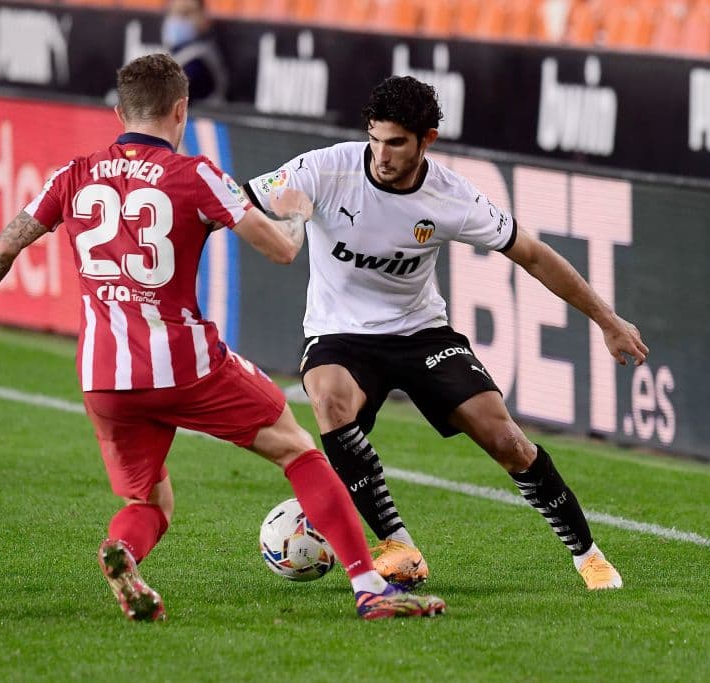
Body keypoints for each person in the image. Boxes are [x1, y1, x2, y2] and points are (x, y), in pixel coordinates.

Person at [0, 55, 444, 622]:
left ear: (118, 113)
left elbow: (8, 242)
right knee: (299, 449)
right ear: (181, 109)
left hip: (104, 376)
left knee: (148, 500)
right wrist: (299, 215)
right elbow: (280, 249)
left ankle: (125, 553)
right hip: (185, 363)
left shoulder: (73, 174)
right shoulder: (194, 174)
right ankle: (369, 587)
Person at [245, 75, 649, 591]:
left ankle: (588, 555)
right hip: (339, 334)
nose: (381, 155)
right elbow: (240, 201)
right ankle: (397, 544)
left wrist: (607, 321)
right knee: (328, 400)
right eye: (375, 139)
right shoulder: (325, 168)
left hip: (421, 333)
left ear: (426, 141)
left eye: (396, 143)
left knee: (506, 439)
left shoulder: (451, 196)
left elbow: (534, 255)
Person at [161, 0, 227, 104]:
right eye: (173, 11)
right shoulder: (171, 54)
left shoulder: (198, 60)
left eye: (187, 13)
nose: (178, 18)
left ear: (203, 19)